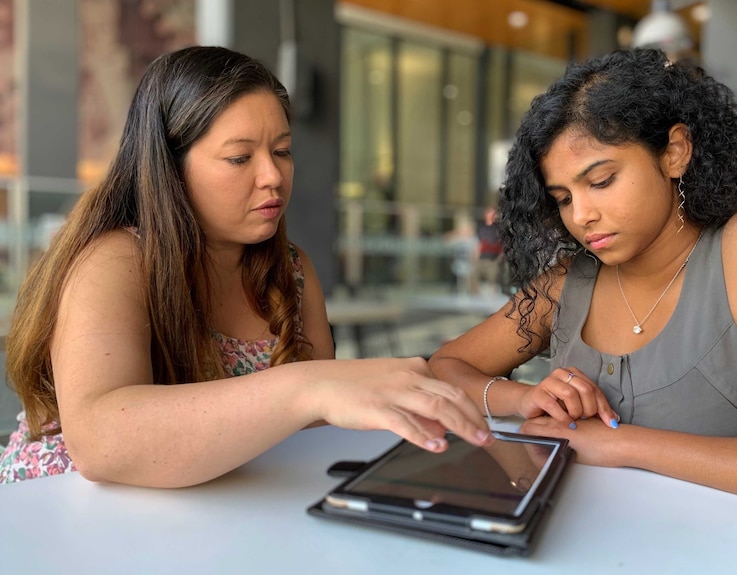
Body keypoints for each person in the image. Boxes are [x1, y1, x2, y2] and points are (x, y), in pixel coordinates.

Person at [0, 46, 492, 488]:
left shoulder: (292, 271)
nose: (273, 175)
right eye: (240, 158)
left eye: (282, 151)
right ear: (169, 167)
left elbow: (315, 434)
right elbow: (99, 442)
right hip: (65, 514)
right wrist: (307, 386)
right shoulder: (115, 259)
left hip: (224, 506)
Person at [428, 48, 737, 519]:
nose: (580, 215)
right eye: (563, 197)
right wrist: (524, 397)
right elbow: (446, 366)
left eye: (601, 180)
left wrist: (623, 445)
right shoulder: (569, 284)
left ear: (675, 152)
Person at [471, 206, 504, 294]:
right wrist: (475, 255)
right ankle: (475, 296)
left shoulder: (499, 228)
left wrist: (501, 255)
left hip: (493, 258)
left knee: (493, 280)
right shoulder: (481, 228)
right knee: (474, 277)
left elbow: (502, 243)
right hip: (481, 257)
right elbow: (479, 243)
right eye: (490, 213)